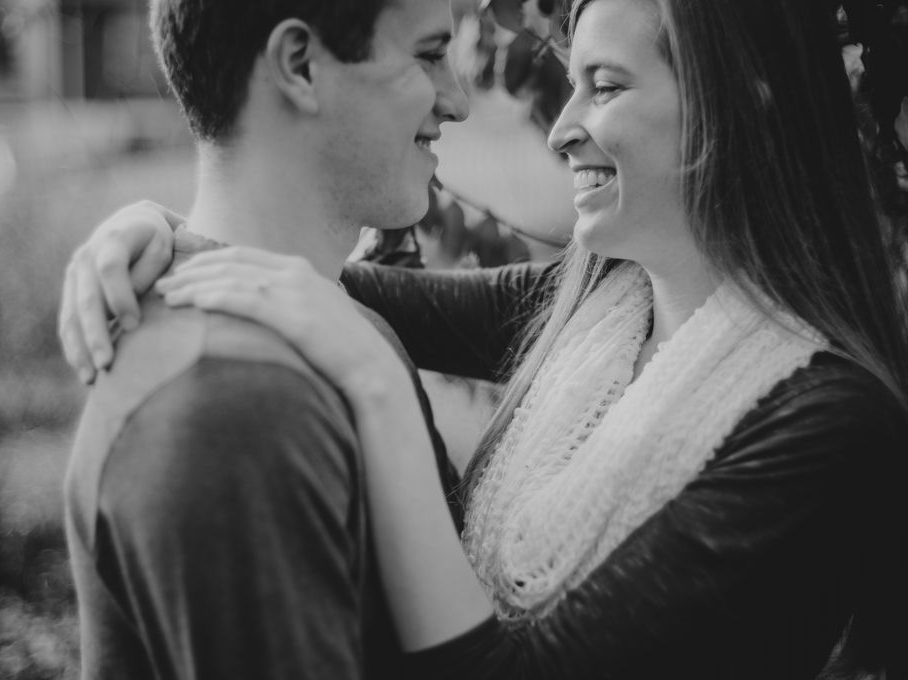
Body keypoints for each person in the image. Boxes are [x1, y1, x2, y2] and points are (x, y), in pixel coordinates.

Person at [61, 0, 908, 676]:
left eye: (605, 87)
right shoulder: (600, 306)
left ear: (746, 94)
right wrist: (160, 231)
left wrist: (383, 391)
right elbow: (310, 279)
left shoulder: (830, 421)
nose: (560, 126)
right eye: (569, 85)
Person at [58, 0, 469, 677]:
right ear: (301, 66)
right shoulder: (233, 409)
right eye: (428, 55)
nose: (458, 101)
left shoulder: (332, 321)